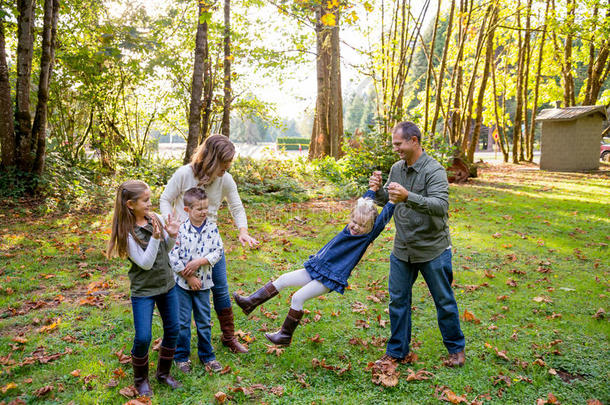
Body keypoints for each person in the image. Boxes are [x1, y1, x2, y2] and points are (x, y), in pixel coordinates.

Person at [233, 187, 396, 346]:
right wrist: (372, 190)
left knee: (298, 297)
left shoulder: (364, 238)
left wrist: (393, 202)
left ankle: (284, 335)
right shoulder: (349, 229)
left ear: (369, 228)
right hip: (317, 268)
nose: (355, 226)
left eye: (361, 225)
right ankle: (250, 303)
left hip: (329, 278)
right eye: (354, 221)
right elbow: (361, 206)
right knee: (283, 279)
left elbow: (381, 222)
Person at [369, 121, 466, 367]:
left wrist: (408, 196)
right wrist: (378, 191)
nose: (396, 149)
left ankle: (456, 349)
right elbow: (390, 202)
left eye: (399, 144)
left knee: (443, 301)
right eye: (394, 145)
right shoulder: (396, 169)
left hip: (433, 248)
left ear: (414, 141)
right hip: (403, 249)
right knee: (398, 300)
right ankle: (397, 351)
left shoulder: (434, 171)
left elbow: (440, 206)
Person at [160, 135, 258, 354]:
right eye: (224, 164)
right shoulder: (184, 174)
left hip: (210, 243)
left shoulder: (226, 179)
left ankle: (229, 337)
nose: (227, 168)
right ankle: (175, 339)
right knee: (179, 292)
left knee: (221, 290)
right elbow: (165, 199)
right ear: (212, 160)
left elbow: (237, 207)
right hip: (183, 243)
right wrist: (171, 223)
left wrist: (243, 231)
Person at [107, 180, 182, 396]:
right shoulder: (127, 233)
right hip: (143, 291)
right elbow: (146, 263)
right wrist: (157, 239)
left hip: (167, 285)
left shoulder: (155, 218)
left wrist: (172, 235)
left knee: (173, 329)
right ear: (130, 204)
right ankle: (140, 380)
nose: (150, 203)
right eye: (146, 200)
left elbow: (165, 249)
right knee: (143, 337)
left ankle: (163, 374)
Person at [169, 187, 223, 374]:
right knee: (182, 321)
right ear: (187, 210)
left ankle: (207, 355)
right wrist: (188, 276)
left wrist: (201, 261)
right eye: (199, 209)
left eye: (206, 208)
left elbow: (218, 251)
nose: (204, 212)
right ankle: (182, 357)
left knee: (204, 320)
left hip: (204, 283)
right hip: (182, 285)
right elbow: (172, 255)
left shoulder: (212, 227)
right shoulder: (180, 230)